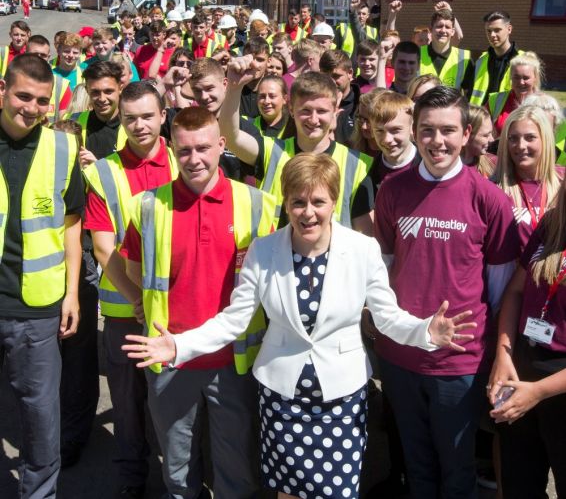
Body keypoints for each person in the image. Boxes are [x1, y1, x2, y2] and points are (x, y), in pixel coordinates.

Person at [123, 152, 476, 499]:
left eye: (318, 202)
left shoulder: (363, 250)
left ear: (334, 202)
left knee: (337, 491)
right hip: (282, 396)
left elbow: (387, 318)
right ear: (287, 204)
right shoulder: (263, 250)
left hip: (342, 397)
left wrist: (424, 331)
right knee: (289, 490)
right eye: (298, 202)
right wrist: (179, 346)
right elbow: (234, 320)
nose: (308, 213)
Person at [119, 106, 277, 499]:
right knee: (177, 471)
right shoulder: (148, 206)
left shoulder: (258, 204)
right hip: (170, 357)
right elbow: (136, 268)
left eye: (203, 148)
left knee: (236, 470)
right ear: (172, 149)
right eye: (185, 150)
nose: (195, 159)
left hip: (235, 361)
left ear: (221, 145)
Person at [374, 86, 520, 499]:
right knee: (416, 466)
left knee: (457, 469)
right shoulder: (393, 190)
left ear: (466, 132)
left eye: (448, 131)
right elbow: (383, 269)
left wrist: (491, 353)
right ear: (416, 132)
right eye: (427, 130)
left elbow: (498, 288)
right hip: (400, 356)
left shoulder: (488, 199)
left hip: (459, 363)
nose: (438, 142)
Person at [82, 81, 177, 498]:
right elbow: (104, 249)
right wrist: (140, 298)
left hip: (177, 312)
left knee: (174, 406)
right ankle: (131, 477)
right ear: (121, 121)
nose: (139, 126)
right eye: (130, 118)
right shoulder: (103, 172)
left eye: (147, 116)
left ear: (163, 116)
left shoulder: (183, 161)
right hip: (125, 311)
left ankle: (180, 478)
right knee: (127, 405)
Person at [0, 53, 84, 498]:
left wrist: (72, 293)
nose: (31, 108)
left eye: (42, 101)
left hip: (37, 305)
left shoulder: (62, 148)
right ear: (3, 91)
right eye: (23, 96)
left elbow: (73, 223)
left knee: (39, 416)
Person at [219, 58, 375, 234]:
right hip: (274, 257)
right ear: (291, 110)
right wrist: (234, 88)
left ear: (335, 111)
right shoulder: (273, 151)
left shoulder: (359, 165)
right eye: (305, 111)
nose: (313, 120)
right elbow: (230, 137)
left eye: (322, 111)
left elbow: (366, 237)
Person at [488, 175, 566, 498]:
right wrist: (503, 354)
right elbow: (515, 291)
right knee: (519, 481)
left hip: (557, 382)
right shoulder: (551, 225)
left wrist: (537, 392)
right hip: (522, 362)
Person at [493, 105, 562, 251]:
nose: (521, 145)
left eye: (530, 137)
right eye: (513, 138)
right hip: (512, 273)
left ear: (545, 140)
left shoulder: (562, 184)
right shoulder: (493, 189)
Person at [71, 61, 128, 166]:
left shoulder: (134, 125)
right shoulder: (74, 123)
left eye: (108, 91)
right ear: (87, 91)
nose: (102, 99)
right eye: (95, 92)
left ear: (120, 87)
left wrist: (99, 168)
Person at [471, 10, 523, 106]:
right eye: (489, 31)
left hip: (509, 118)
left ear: (509, 29)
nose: (492, 35)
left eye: (497, 30)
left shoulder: (523, 61)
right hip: (480, 117)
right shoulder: (481, 60)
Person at [419, 7, 474, 94]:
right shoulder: (417, 54)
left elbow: (468, 93)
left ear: (452, 32)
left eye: (447, 27)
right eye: (439, 26)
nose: (443, 30)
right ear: (431, 30)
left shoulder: (464, 58)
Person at [488, 52, 542, 136]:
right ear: (510, 78)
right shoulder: (495, 100)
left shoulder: (545, 105)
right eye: (516, 77)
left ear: (535, 78)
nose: (521, 82)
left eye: (526, 78)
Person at [319, 49, 359, 146]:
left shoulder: (360, 104)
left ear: (350, 73)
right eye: (325, 75)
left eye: (336, 76)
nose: (330, 81)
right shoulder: (313, 103)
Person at [241, 74, 289, 139]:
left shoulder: (293, 128)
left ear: (285, 99)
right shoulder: (248, 123)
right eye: (262, 96)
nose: (266, 101)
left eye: (272, 96)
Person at [239, 37, 270, 118]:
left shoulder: (273, 92)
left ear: (268, 62)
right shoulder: (233, 89)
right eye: (250, 59)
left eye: (260, 60)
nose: (255, 64)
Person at [461, 104, 495, 178]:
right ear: (466, 134)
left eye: (491, 133)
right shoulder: (447, 169)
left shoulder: (494, 163)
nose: (492, 139)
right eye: (486, 135)